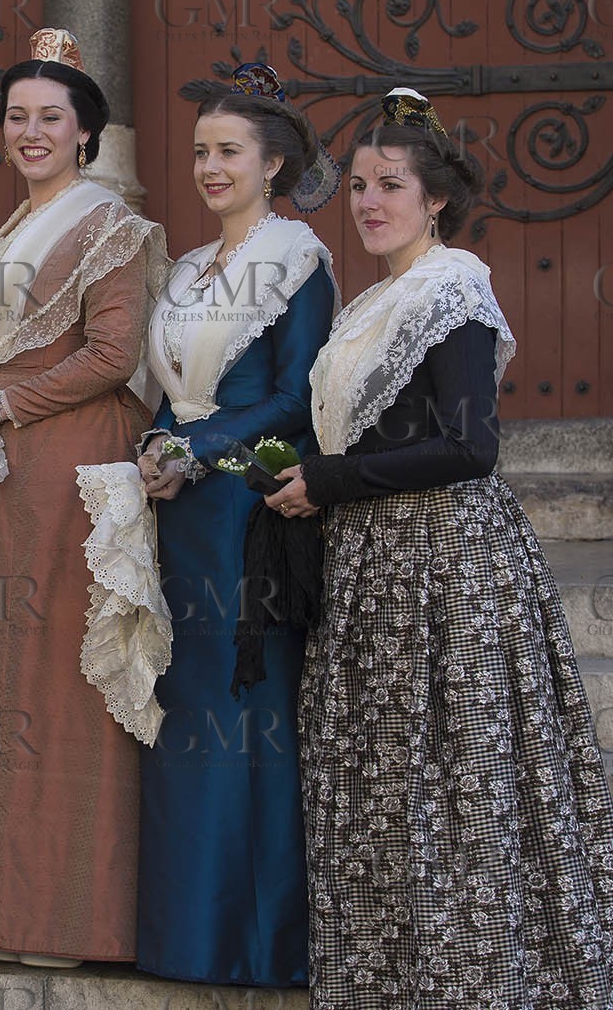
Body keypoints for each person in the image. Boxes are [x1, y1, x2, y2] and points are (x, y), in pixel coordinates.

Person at [265, 88, 613, 1007]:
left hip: (447, 563)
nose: (371, 201)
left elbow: (470, 446)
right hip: (374, 561)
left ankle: (478, 977)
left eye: (393, 185)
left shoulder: (451, 291)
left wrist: (328, 482)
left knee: (455, 774)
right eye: (362, 186)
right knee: (384, 775)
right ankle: (389, 975)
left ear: (436, 201)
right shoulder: (378, 301)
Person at [0, 28, 168, 966]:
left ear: (86, 132)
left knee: (61, 680)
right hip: (7, 467)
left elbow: (113, 358)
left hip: (74, 463)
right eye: (18, 117)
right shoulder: (7, 233)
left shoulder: (113, 227)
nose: (33, 130)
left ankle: (66, 915)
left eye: (53, 116)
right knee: (3, 677)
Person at [133, 62, 337, 987]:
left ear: (274, 163)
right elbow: (167, 392)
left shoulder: (299, 259)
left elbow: (299, 396)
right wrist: (155, 446)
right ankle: (185, 939)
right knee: (181, 715)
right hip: (175, 514)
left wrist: (200, 450)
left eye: (229, 152)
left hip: (245, 513)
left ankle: (257, 945)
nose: (209, 167)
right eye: (201, 152)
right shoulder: (185, 267)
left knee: (245, 714)